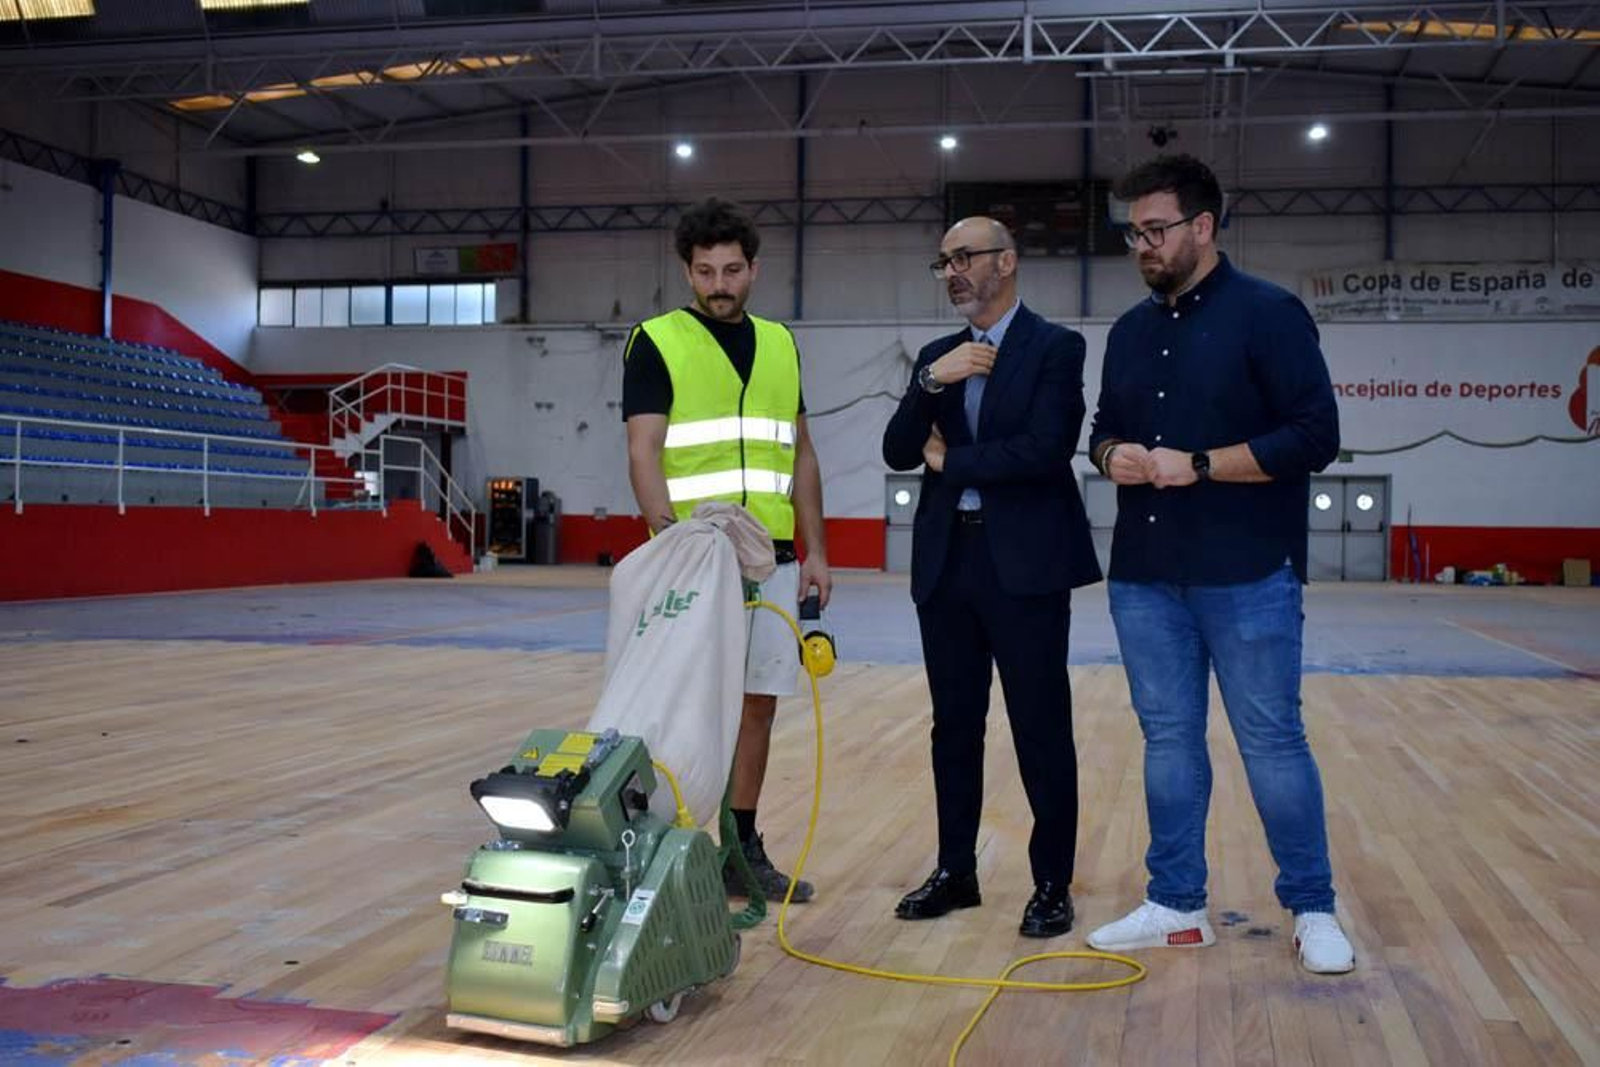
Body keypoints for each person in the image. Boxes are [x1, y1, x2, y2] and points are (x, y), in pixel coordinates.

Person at [1084, 154, 1355, 974]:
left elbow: (1315, 435)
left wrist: (1200, 464)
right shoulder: (1129, 332)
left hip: (1247, 572)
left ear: (1203, 226)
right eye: (1134, 233)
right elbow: (1102, 428)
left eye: (1156, 230)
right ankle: (1176, 903)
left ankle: (1313, 907)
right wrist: (1113, 455)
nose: (1143, 246)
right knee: (1168, 740)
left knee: (1271, 741)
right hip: (1144, 574)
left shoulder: (1270, 315)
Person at [881, 216, 1100, 937]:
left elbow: (1044, 450)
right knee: (954, 726)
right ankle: (956, 871)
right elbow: (897, 449)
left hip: (1025, 566)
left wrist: (952, 461)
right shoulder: (938, 356)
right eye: (943, 261)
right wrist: (929, 380)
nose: (952, 272)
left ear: (1006, 262)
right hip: (949, 562)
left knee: (1041, 725)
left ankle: (1051, 883)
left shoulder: (1055, 347)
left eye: (964, 257)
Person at [622, 197, 831, 903]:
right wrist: (668, 541)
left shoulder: (781, 343)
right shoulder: (656, 340)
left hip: (772, 558)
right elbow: (643, 450)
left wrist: (817, 550)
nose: (720, 284)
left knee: (758, 705)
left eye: (732, 270)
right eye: (706, 271)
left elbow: (802, 453)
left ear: (754, 270)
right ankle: (658, 848)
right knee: (678, 707)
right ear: (687, 271)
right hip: (694, 558)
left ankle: (740, 852)